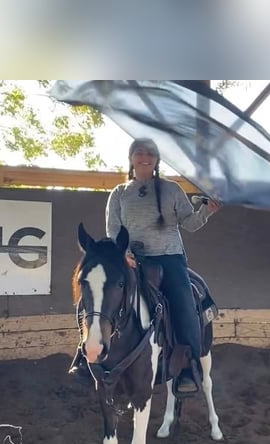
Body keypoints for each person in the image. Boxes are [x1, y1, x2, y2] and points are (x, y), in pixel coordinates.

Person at [70, 137, 220, 396]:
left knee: (184, 302)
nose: (144, 156)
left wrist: (207, 211)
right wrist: (123, 254)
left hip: (169, 258)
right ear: (131, 158)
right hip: (130, 259)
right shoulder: (119, 193)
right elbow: (113, 230)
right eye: (139, 152)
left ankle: (188, 366)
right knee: (99, 294)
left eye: (150, 152)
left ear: (156, 159)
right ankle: (85, 356)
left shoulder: (172, 190)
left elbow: (190, 223)